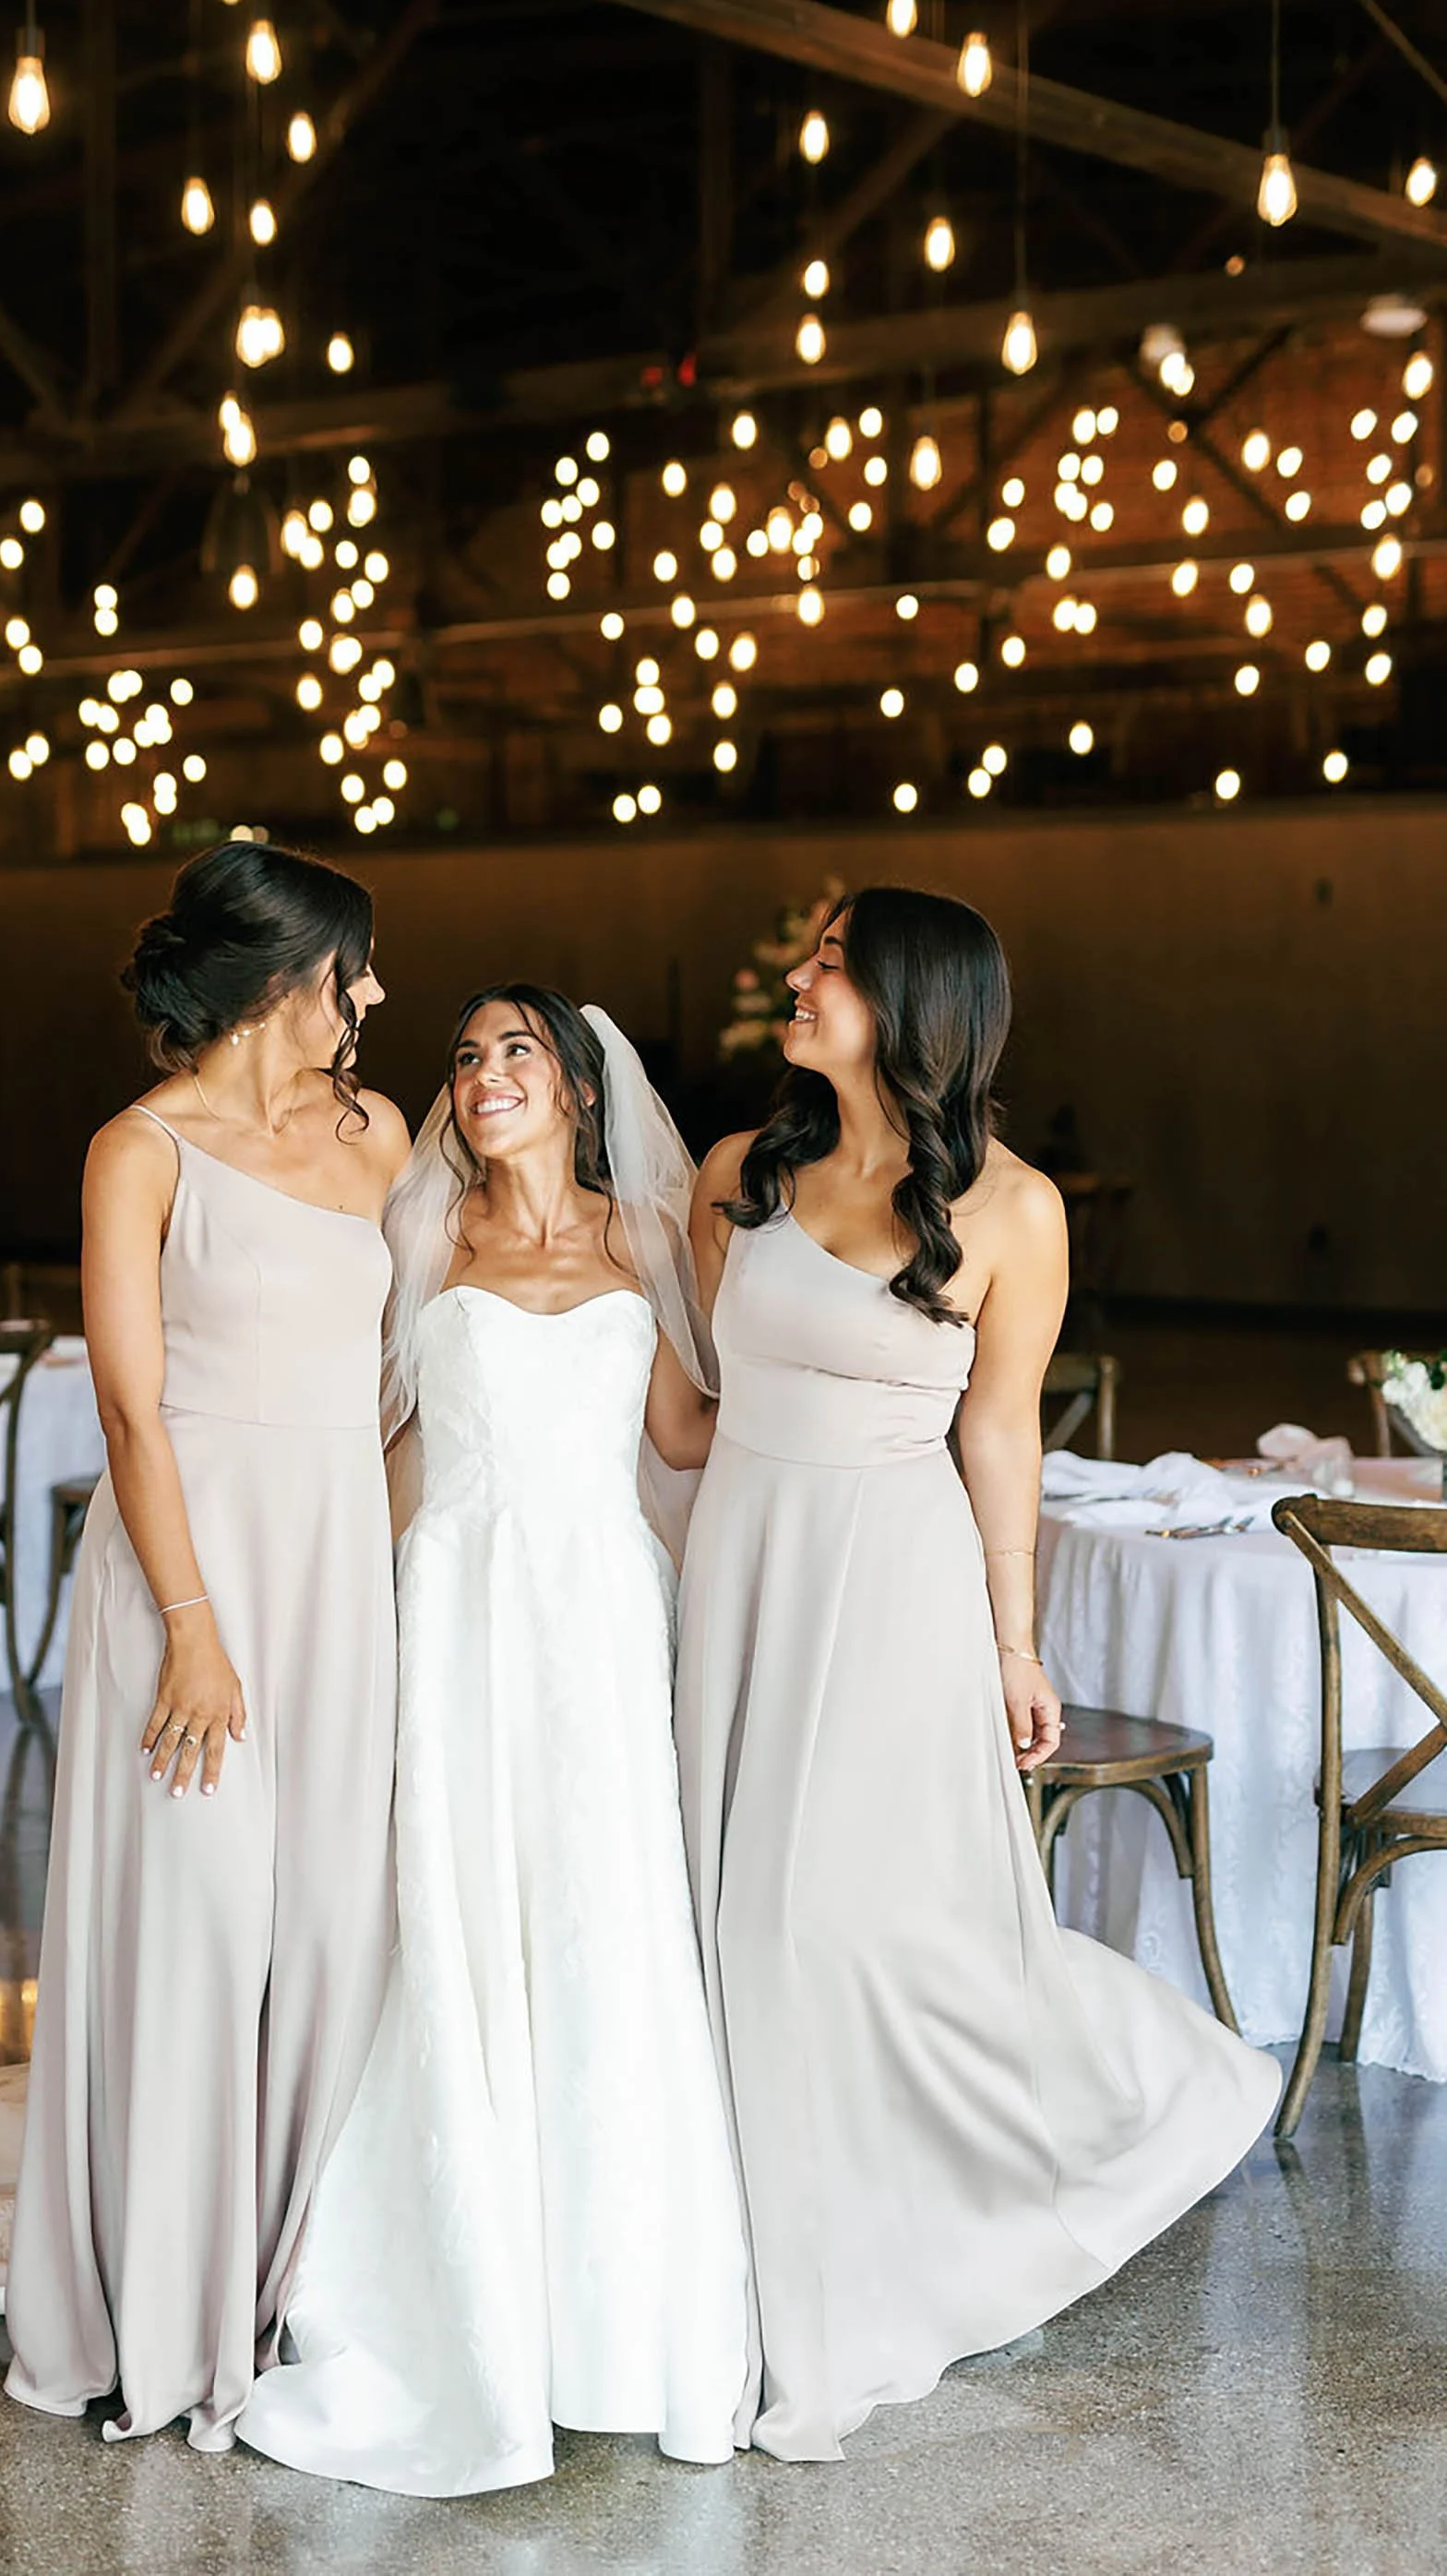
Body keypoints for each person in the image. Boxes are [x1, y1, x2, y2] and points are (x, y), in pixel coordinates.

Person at [0, 842, 410, 2455]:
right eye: (358, 971)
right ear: (288, 980)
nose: (377, 999)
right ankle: (163, 2304)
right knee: (198, 1927)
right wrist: (193, 1634)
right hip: (182, 1577)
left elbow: (408, 1369)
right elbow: (131, 1407)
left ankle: (287, 2277)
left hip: (341, 1574)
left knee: (334, 1925)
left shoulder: (377, 1132)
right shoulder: (138, 1151)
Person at [676, 886, 1279, 2463]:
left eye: (827, 963)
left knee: (834, 1925)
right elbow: (684, 1403)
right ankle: (725, 2249)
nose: (796, 978)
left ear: (913, 1003)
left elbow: (998, 1432)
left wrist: (1015, 1642)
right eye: (803, 954)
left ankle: (1121, 2107)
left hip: (891, 1586)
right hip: (741, 1570)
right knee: (725, 1911)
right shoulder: (738, 1175)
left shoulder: (1014, 1209)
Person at [236, 988, 749, 2495]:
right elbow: (375, 1448)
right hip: (452, 1607)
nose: (480, 1074)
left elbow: (685, 1435)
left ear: (580, 1090)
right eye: (463, 1054)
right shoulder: (426, 1243)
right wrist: (296, 1606)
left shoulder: (643, 1246)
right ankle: (457, 2289)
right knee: (460, 1917)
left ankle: (609, 2302)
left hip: (594, 1619)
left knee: (602, 1920)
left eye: (514, 1048)